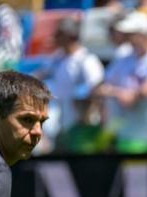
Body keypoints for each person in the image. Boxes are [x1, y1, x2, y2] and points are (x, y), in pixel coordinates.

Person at [93, 11, 147, 153]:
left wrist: (130, 95)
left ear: (144, 34)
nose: (128, 38)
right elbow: (101, 87)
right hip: (126, 137)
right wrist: (121, 93)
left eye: (132, 33)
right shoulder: (124, 56)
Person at [40, 16, 104, 150]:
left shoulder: (87, 60)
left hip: (82, 125)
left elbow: (97, 88)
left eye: (59, 34)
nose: (55, 37)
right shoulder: (57, 57)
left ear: (69, 35)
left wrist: (86, 115)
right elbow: (41, 74)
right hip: (62, 123)